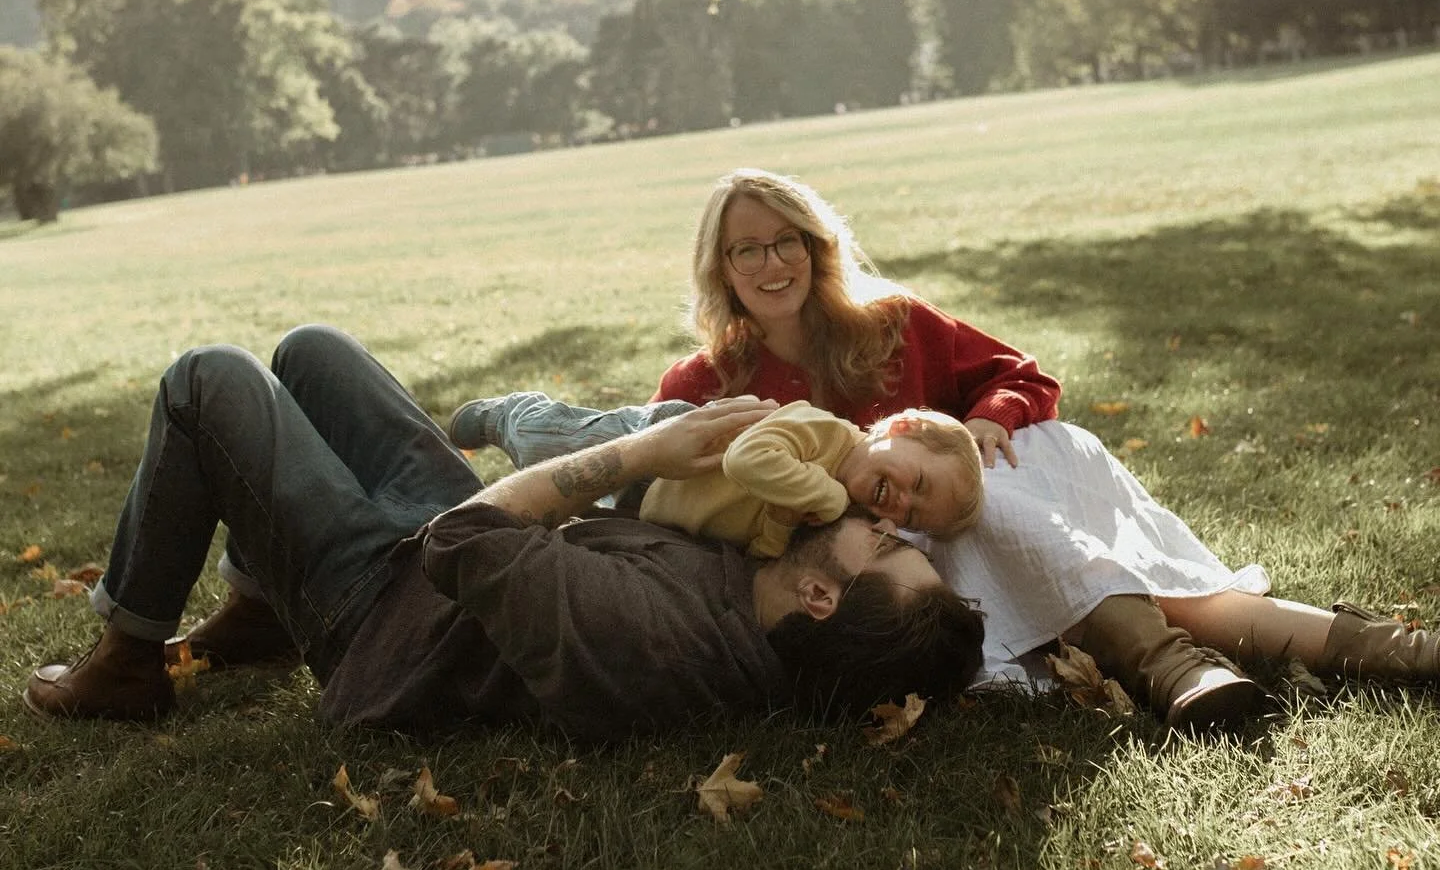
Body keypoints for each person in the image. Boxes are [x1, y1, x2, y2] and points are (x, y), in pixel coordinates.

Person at [450, 168, 1440, 733]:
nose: (770, 263)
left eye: (785, 239)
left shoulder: (892, 323)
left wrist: (984, 424)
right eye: (745, 251)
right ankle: (1214, 660)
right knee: (996, 523)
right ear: (722, 270)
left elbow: (1023, 378)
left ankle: (1255, 664)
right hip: (895, 577)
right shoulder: (701, 386)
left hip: (971, 521)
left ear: (815, 244)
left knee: (1002, 492)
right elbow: (709, 540)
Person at [22, 326, 985, 738]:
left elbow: (465, 545)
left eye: (892, 551)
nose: (882, 526)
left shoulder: (657, 639)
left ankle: (126, 663)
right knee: (312, 353)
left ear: (825, 597)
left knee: (209, 379)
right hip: (460, 548)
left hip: (391, 608)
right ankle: (257, 605)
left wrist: (641, 457)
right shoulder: (776, 576)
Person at [637, 400, 985, 557]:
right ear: (903, 428)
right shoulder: (821, 429)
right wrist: (827, 496)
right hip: (649, 470)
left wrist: (780, 522)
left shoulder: (844, 514)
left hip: (663, 535)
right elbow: (743, 460)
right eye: (920, 482)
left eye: (910, 518)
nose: (903, 502)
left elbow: (761, 552)